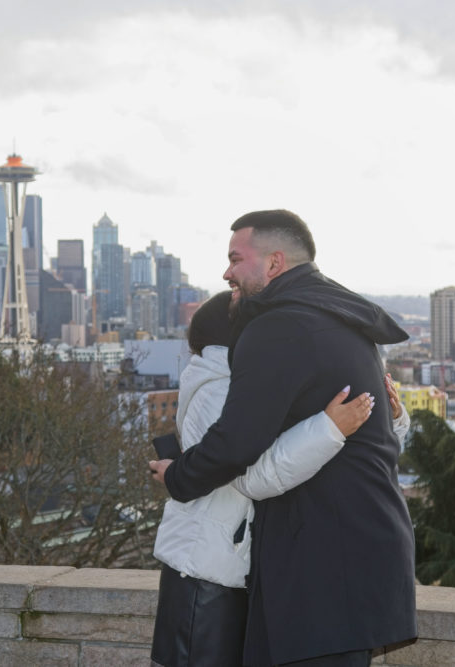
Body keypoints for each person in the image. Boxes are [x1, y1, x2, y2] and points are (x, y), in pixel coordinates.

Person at [150, 210, 417, 666]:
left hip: (323, 562)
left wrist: (178, 477)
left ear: (274, 263)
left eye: (235, 258)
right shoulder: (342, 318)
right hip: (360, 548)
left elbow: (235, 445)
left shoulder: (279, 326)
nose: (226, 272)